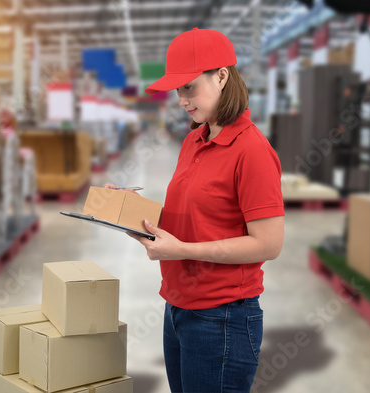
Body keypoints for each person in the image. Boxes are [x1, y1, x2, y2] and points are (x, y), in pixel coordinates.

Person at [109, 27, 284, 393]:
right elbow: (189, 218)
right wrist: (128, 212)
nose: (181, 100)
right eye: (177, 91)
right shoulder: (194, 139)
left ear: (222, 76)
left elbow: (268, 244)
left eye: (189, 87)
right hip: (179, 308)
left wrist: (182, 251)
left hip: (222, 318)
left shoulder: (251, 151)